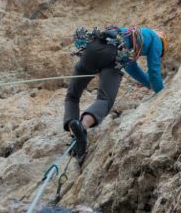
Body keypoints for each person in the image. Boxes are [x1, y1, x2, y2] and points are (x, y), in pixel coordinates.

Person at [63, 25, 167, 159]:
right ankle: (82, 125)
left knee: (72, 96)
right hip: (112, 55)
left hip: (91, 49)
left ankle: (74, 136)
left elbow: (132, 69)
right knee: (104, 100)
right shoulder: (157, 40)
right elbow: (153, 71)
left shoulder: (129, 33)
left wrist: (149, 85)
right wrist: (161, 91)